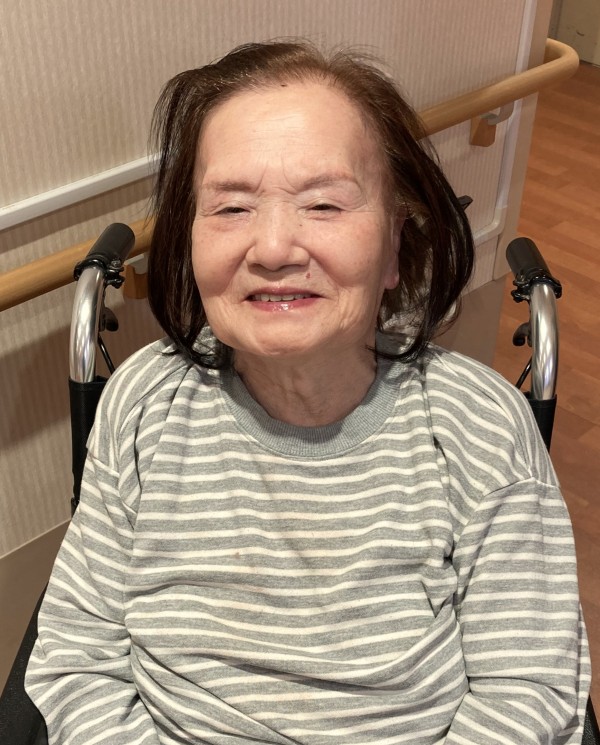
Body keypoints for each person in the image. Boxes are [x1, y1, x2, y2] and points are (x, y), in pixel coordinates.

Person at [26, 41, 590, 744]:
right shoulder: (143, 404)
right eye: (231, 207)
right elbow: (78, 656)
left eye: (323, 204)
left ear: (393, 246)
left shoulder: (478, 426)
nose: (272, 249)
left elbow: (529, 686)